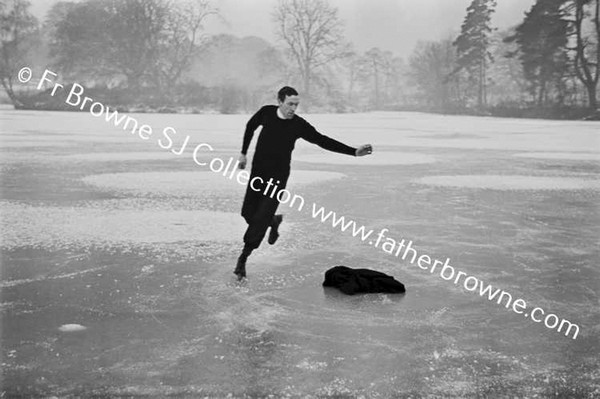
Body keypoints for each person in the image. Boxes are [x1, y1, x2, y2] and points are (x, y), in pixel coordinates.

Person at [234, 86, 373, 279]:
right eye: (290, 104)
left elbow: (322, 140)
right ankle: (273, 221)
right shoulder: (266, 113)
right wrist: (243, 154)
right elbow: (250, 126)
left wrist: (353, 151)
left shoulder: (298, 125)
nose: (293, 108)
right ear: (280, 101)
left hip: (278, 177)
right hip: (258, 173)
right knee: (248, 213)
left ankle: (243, 258)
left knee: (260, 217)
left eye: (296, 105)